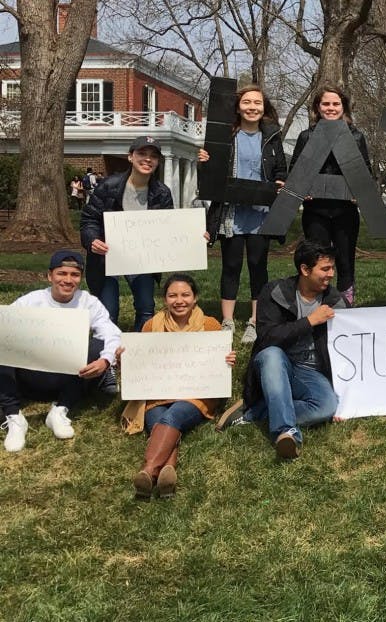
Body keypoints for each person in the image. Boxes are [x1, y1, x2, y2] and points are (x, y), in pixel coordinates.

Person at [215, 241, 346, 460]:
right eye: (325, 268)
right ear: (305, 270)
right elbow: (267, 337)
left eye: (332, 268)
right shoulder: (275, 292)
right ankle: (286, 432)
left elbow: (348, 349)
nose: (331, 274)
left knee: (326, 406)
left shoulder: (336, 301)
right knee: (271, 355)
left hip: (312, 372)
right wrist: (310, 321)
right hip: (278, 362)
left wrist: (347, 398)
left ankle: (257, 411)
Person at [117, 273, 237, 498]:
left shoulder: (209, 324)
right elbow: (141, 364)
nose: (179, 300)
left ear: (195, 298)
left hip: (196, 395)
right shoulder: (152, 325)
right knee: (162, 423)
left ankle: (149, 470)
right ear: (165, 299)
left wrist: (226, 361)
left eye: (185, 295)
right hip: (158, 394)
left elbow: (218, 363)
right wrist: (126, 359)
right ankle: (166, 476)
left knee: (170, 419)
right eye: (172, 295)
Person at [1, 250, 121, 453]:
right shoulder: (31, 301)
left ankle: (59, 410)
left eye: (74, 275)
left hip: (69, 379)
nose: (68, 280)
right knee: (3, 340)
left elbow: (112, 333)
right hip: (30, 378)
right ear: (50, 276)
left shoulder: (88, 302)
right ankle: (14, 416)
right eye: (61, 273)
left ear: (80, 278)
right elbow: (6, 324)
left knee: (98, 347)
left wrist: (105, 361)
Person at [199, 84, 288, 344]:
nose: (252, 107)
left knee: (258, 267)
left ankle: (254, 321)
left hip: (261, 215)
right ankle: (227, 321)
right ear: (238, 107)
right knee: (231, 266)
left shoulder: (271, 137)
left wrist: (280, 183)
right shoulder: (225, 135)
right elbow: (209, 179)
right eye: (247, 102)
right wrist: (203, 162)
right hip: (232, 213)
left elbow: (281, 171)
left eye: (257, 103)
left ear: (264, 107)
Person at [80, 135, 174, 331]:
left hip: (142, 258)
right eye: (142, 153)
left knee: (146, 307)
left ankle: (141, 350)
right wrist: (93, 240)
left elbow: (168, 229)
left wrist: (194, 237)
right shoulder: (108, 186)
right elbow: (90, 220)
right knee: (108, 310)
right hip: (107, 256)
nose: (147, 159)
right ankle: (105, 354)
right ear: (130, 156)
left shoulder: (162, 193)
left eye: (153, 156)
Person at [291, 86, 371, 306]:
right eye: (326, 104)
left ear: (343, 107)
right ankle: (315, 305)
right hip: (316, 211)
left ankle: (346, 307)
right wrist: (302, 189)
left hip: (345, 211)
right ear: (318, 107)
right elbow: (295, 173)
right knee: (317, 261)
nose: (331, 108)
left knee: (345, 261)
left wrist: (359, 192)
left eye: (336, 104)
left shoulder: (356, 137)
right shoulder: (306, 136)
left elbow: (365, 172)